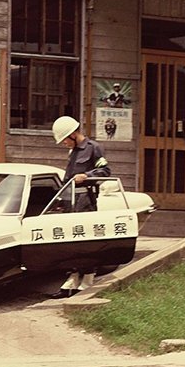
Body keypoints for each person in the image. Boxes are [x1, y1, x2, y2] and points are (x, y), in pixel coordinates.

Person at [50, 115, 111, 299]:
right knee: (72, 241)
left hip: (86, 201)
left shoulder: (93, 148)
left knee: (86, 240)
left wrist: (87, 175)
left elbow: (106, 171)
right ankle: (73, 276)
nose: (64, 144)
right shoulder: (73, 152)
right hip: (71, 202)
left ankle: (89, 276)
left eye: (65, 140)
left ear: (73, 134)